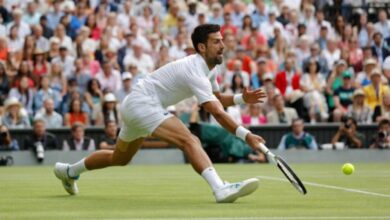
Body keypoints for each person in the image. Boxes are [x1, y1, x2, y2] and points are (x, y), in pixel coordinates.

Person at [54, 24, 266, 203]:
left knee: (120, 158)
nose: (223, 46)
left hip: (135, 105)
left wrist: (240, 99)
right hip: (143, 104)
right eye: (216, 42)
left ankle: (69, 171)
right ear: (202, 47)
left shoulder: (210, 69)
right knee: (189, 140)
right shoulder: (194, 68)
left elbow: (218, 98)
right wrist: (246, 135)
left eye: (222, 40)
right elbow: (217, 113)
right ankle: (220, 188)